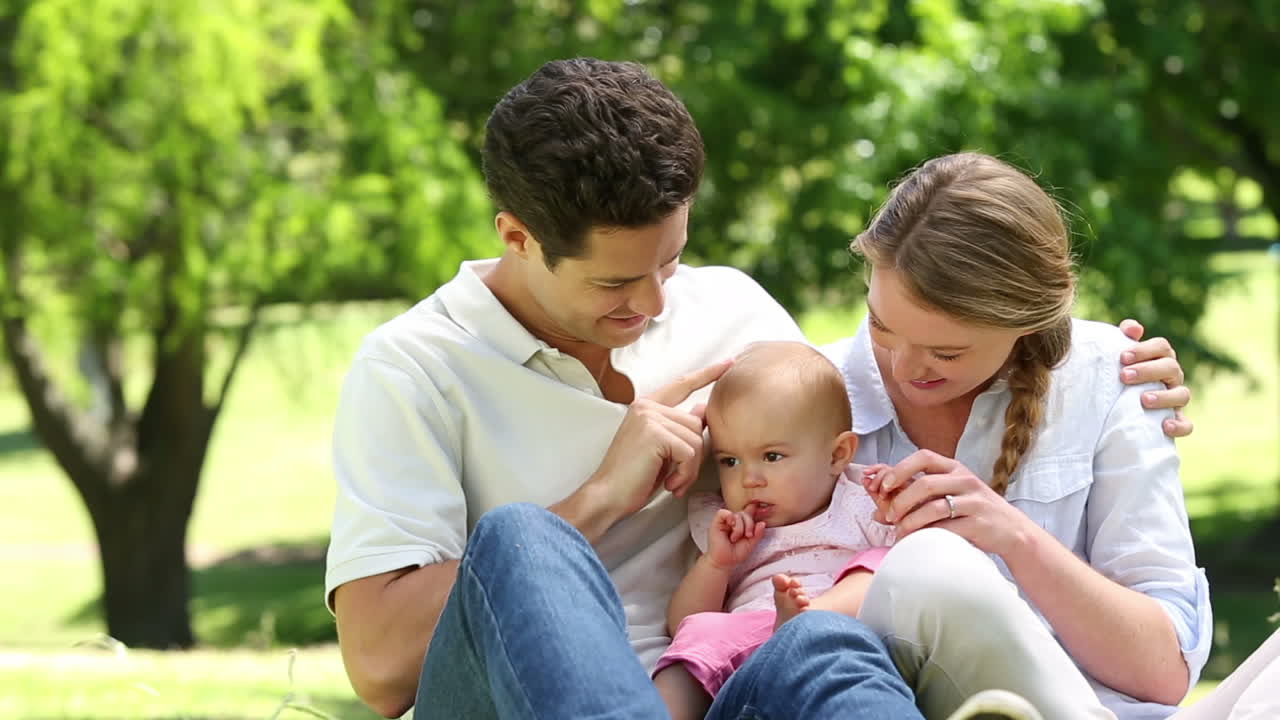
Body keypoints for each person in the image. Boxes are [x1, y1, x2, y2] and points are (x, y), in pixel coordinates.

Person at [324, 59, 1192, 719]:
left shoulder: (735, 313)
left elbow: (871, 391)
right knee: (520, 538)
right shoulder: (416, 368)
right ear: (518, 237)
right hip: (519, 699)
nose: (655, 305)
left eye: (670, 261)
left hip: (721, 686)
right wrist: (600, 496)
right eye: (615, 284)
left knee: (827, 646)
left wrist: (1106, 364)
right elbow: (381, 672)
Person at [819, 151, 1220, 720]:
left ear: (1026, 321)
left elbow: (1163, 672)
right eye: (882, 325)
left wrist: (1012, 536)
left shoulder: (1111, 377)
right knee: (924, 565)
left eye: (946, 352)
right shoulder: (807, 395)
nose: (904, 368)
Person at [652, 341, 897, 720]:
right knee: (697, 639)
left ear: (837, 455)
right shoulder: (729, 527)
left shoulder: (863, 501)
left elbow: (915, 570)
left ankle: (808, 618)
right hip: (746, 649)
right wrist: (716, 564)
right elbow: (681, 624)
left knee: (881, 563)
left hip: (836, 645)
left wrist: (894, 508)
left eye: (771, 456)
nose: (749, 479)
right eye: (729, 461)